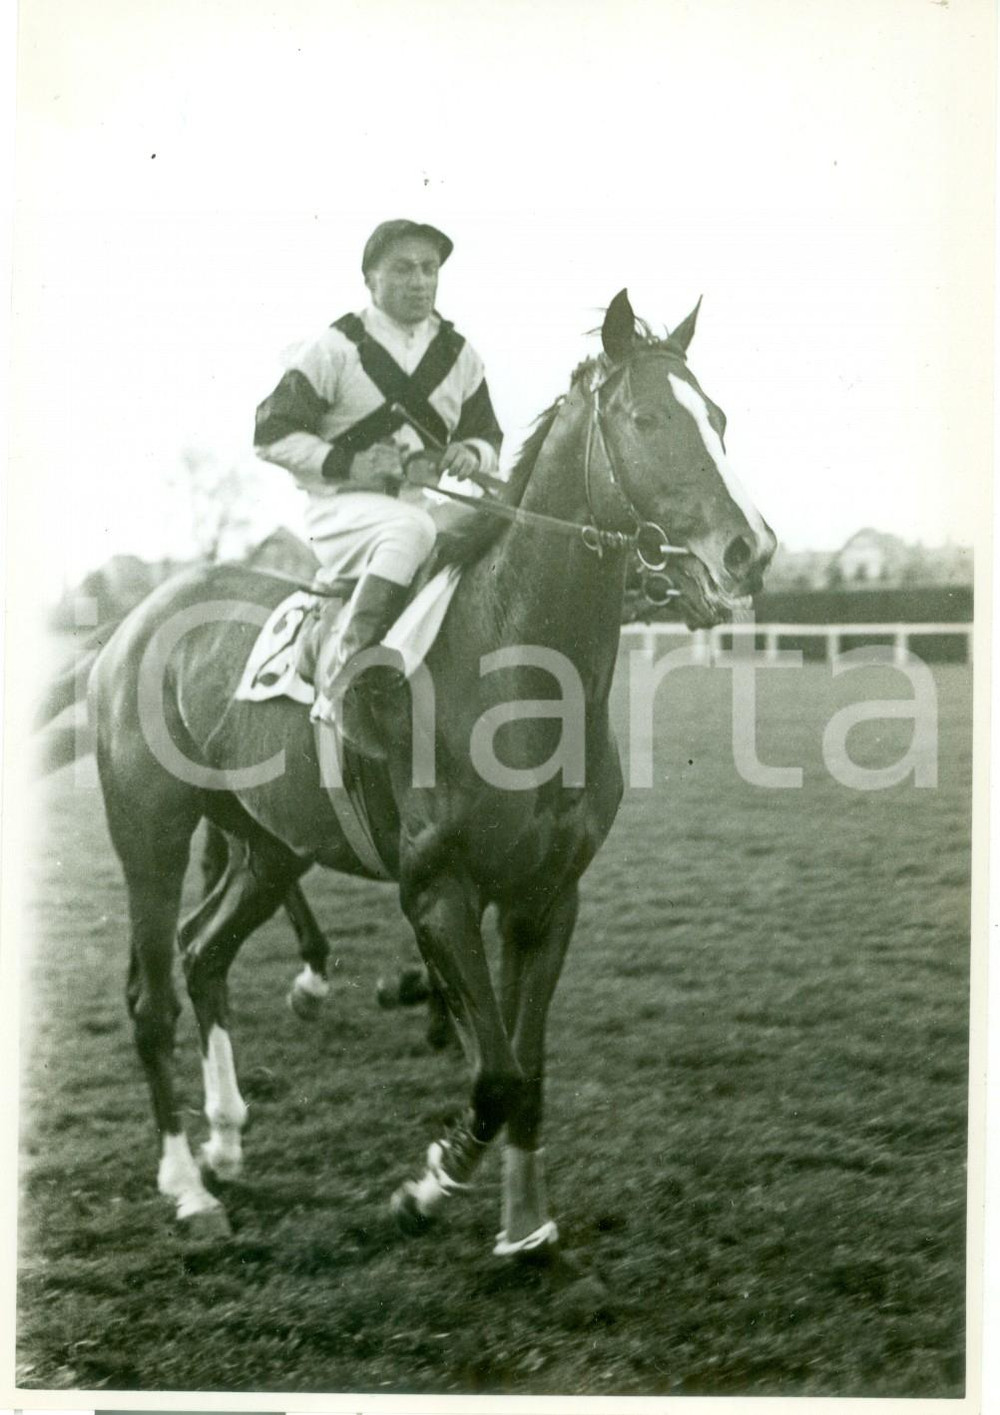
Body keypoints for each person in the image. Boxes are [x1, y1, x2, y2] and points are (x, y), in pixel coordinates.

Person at [253, 219, 503, 743]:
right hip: (340, 514)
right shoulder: (335, 347)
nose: (420, 281)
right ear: (371, 279)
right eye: (403, 269)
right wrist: (348, 464)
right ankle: (349, 682)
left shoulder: (459, 355)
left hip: (418, 509)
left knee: (480, 532)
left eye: (429, 269)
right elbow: (270, 433)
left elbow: (489, 439)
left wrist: (470, 453)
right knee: (410, 531)